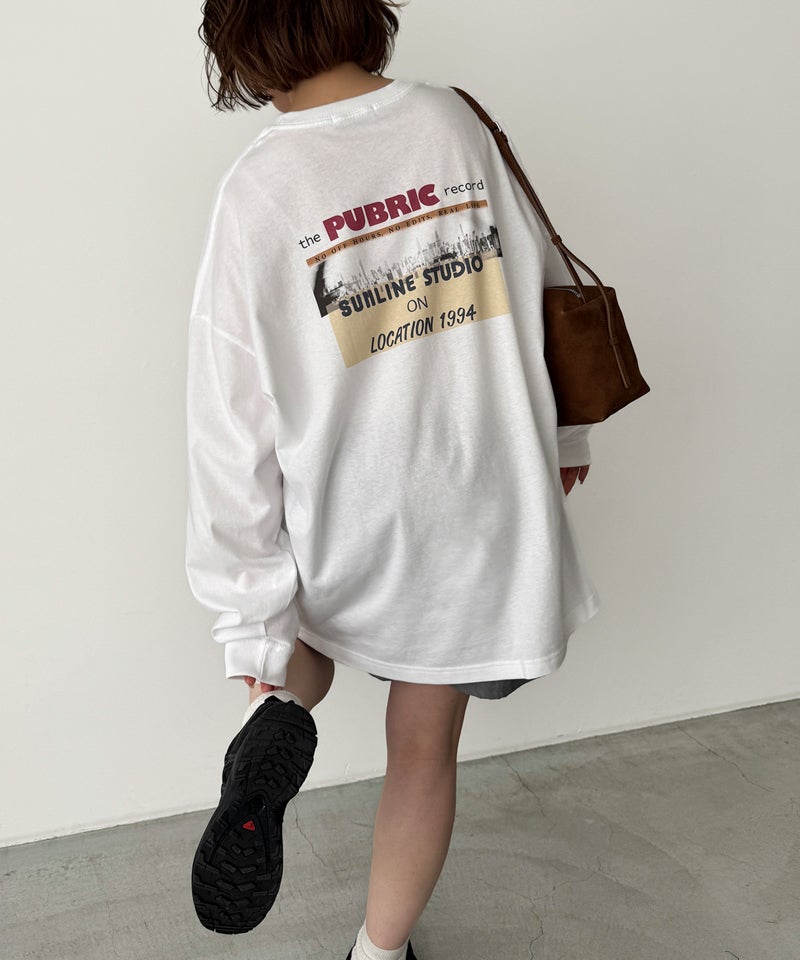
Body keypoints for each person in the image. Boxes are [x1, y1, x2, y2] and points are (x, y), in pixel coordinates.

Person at [184, 1, 600, 958]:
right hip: (479, 491)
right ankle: (378, 952)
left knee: (302, 634)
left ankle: (275, 711)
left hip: (353, 502)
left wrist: (245, 610)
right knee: (421, 749)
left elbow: (229, 414)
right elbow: (542, 278)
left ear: (239, 45)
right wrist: (566, 438)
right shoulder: (449, 119)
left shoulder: (260, 186)